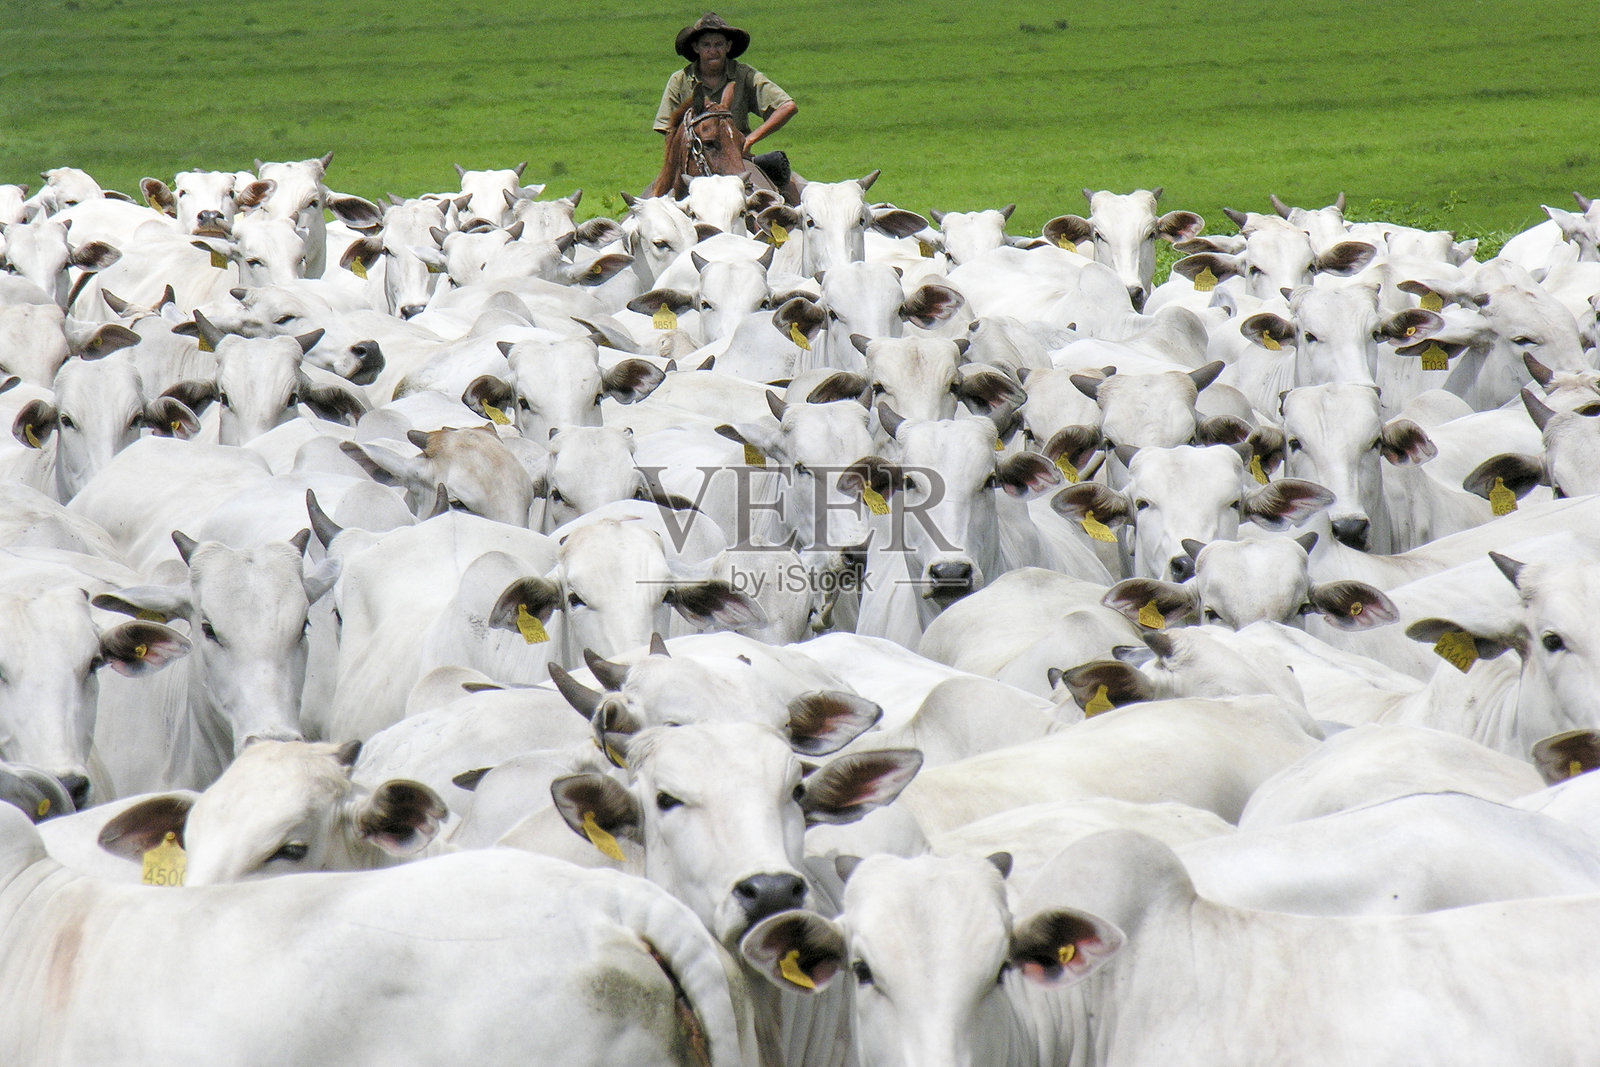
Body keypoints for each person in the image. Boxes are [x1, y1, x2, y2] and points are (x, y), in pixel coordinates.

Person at [653, 12, 802, 200]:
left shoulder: (744, 75)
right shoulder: (679, 80)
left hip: (736, 156)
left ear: (728, 46)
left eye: (718, 45)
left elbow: (787, 106)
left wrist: (749, 140)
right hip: (694, 158)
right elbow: (669, 131)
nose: (713, 51)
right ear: (696, 47)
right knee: (655, 204)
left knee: (784, 194)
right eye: (706, 45)